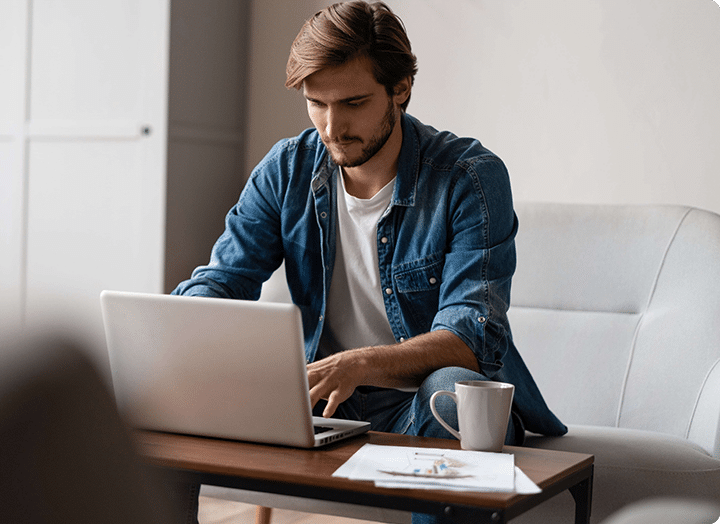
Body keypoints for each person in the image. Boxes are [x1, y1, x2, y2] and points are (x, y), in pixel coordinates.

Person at [172, 2, 567, 522]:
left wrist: (359, 364)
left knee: (451, 397)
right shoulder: (286, 170)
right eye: (316, 103)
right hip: (321, 404)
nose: (331, 127)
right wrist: (176, 337)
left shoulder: (469, 177)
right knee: (163, 404)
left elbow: (473, 335)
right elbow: (223, 281)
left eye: (353, 102)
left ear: (400, 88)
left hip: (417, 404)